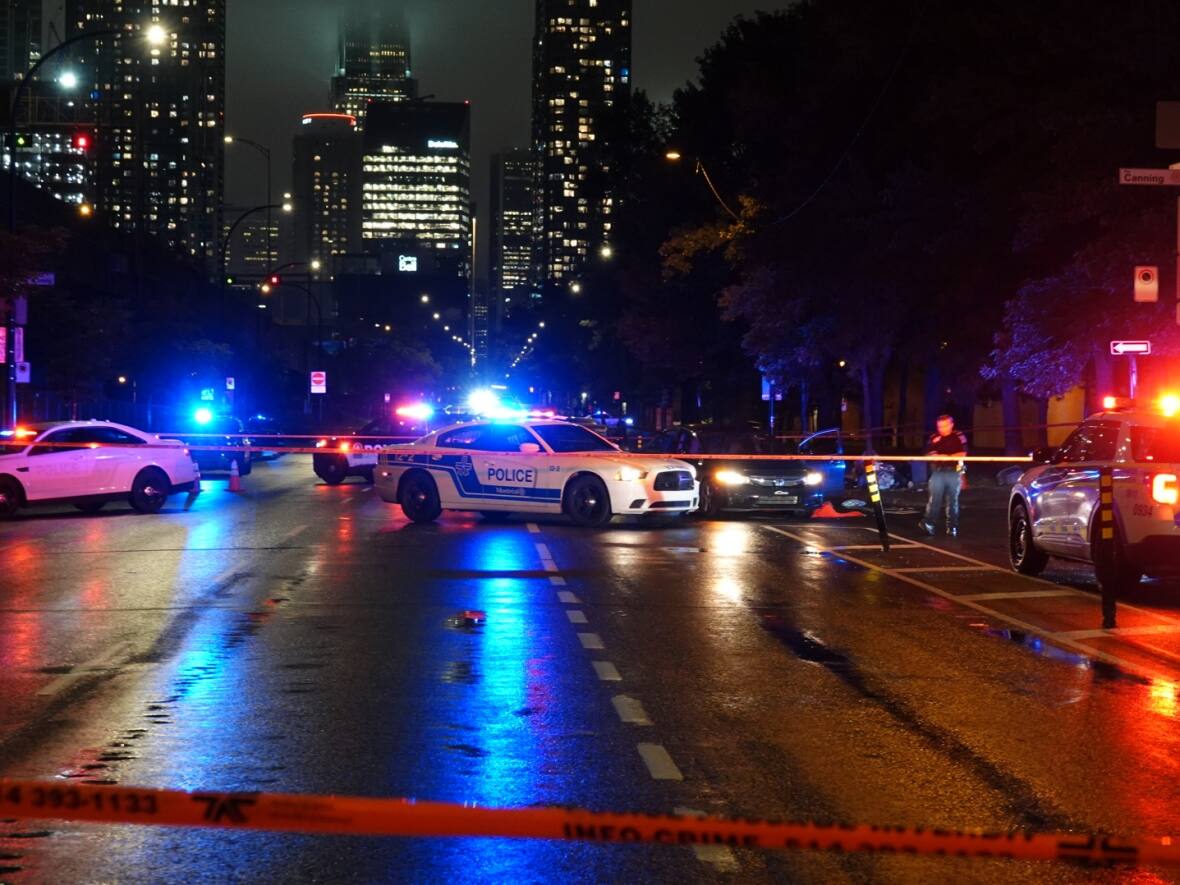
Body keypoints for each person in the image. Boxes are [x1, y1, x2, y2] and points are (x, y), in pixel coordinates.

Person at [919, 414, 967, 537]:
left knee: (953, 501)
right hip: (938, 471)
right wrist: (938, 457)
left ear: (951, 425)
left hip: (954, 471)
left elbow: (963, 453)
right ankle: (929, 523)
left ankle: (952, 527)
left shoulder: (958, 436)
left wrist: (948, 457)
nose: (942, 429)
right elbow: (929, 454)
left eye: (945, 426)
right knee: (934, 499)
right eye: (939, 427)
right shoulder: (934, 437)